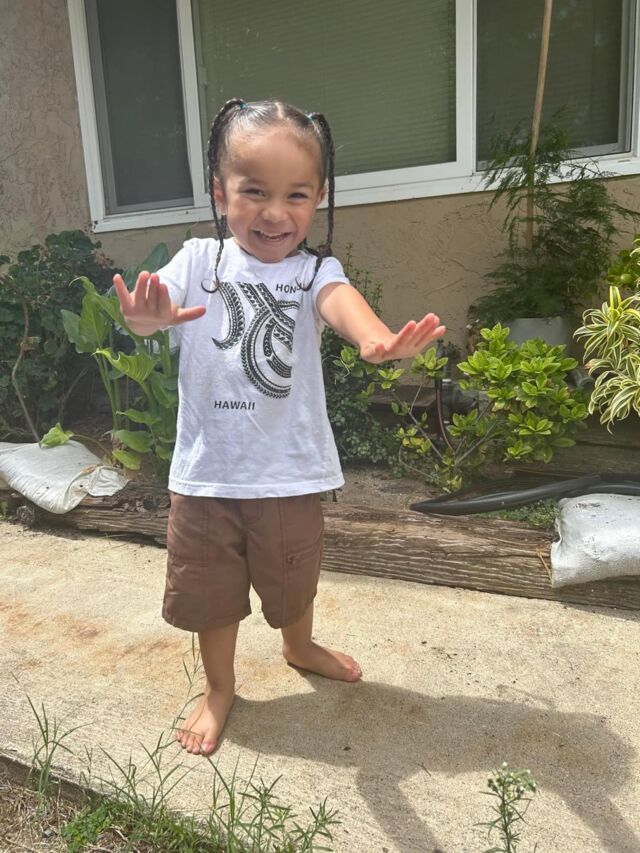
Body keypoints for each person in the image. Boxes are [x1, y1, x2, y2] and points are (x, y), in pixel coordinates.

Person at [113, 98, 445, 756]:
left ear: (318, 198)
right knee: (210, 591)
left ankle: (299, 645)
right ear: (220, 193)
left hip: (287, 473)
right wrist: (146, 317)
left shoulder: (314, 271)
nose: (274, 212)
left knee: (293, 576)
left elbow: (343, 306)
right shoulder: (198, 260)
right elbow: (153, 311)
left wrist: (374, 339)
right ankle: (220, 688)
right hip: (207, 476)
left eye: (296, 194)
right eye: (254, 191)